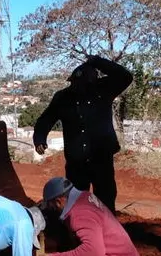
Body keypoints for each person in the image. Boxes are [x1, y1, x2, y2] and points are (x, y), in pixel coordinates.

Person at [33, 54, 133, 215]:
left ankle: (107, 231)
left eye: (84, 83)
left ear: (93, 81)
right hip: (76, 161)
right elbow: (45, 119)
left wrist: (97, 61)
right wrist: (39, 138)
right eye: (75, 84)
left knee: (105, 199)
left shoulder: (104, 89)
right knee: (75, 201)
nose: (79, 88)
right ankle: (77, 232)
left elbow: (125, 76)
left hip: (101, 158)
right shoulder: (63, 97)